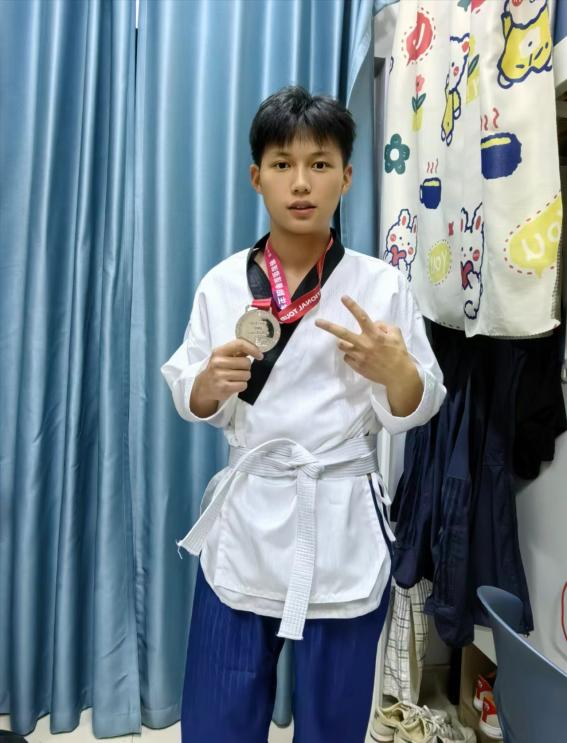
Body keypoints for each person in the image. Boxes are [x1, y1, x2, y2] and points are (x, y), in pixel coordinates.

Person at [160, 85, 446, 743]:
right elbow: (192, 396)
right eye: (282, 164)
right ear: (255, 176)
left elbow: (418, 402)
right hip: (249, 516)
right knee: (218, 718)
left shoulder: (381, 285)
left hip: (340, 517)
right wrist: (207, 385)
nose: (300, 182)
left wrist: (395, 372)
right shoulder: (222, 283)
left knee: (333, 722)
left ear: (346, 177)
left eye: (319, 164)